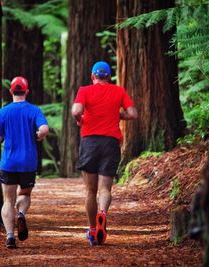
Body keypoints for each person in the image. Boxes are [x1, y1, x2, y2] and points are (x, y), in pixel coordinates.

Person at [71, 61, 138, 246]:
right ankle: (103, 214)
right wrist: (118, 115)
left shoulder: (85, 90)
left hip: (90, 142)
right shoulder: (119, 91)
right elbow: (133, 114)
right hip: (111, 143)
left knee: (90, 191)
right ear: (109, 76)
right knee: (105, 189)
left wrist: (81, 119)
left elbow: (76, 110)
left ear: (93, 76)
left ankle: (93, 229)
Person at [0, 76, 49, 248]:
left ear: (11, 91)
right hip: (28, 163)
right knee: (24, 194)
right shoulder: (34, 110)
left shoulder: (3, 112)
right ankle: (22, 214)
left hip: (8, 163)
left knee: (8, 201)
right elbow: (44, 129)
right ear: (26, 91)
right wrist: (38, 135)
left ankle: (10, 237)